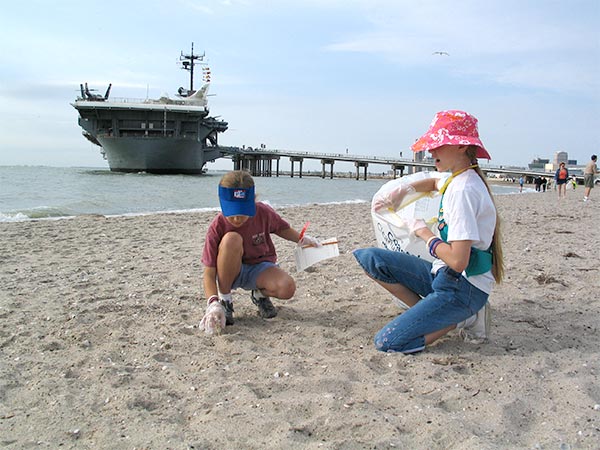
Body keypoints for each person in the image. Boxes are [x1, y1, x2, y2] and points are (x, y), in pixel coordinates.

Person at [353, 110, 504, 354]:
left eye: (438, 144)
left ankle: (463, 319)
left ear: (462, 146)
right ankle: (433, 313)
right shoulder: (459, 178)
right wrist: (404, 190)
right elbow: (435, 182)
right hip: (442, 275)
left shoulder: (463, 191)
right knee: (370, 258)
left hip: (462, 287)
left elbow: (458, 261)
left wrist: (424, 233)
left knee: (388, 342)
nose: (431, 151)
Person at [200, 170, 320, 328]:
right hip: (230, 272)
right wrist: (213, 303)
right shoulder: (218, 225)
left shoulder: (263, 212)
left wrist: (302, 239)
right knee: (232, 238)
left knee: (287, 288)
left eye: (243, 212)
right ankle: (226, 301)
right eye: (233, 212)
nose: (237, 218)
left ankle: (259, 294)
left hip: (259, 268)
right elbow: (208, 273)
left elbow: (281, 229)